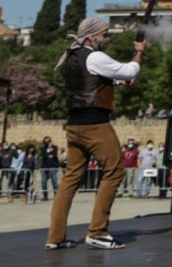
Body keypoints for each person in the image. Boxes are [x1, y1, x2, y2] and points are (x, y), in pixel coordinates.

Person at [45, 18, 144, 251]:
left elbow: (89, 85)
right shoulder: (95, 57)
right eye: (104, 34)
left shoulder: (71, 56)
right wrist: (138, 53)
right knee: (115, 171)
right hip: (95, 125)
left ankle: (55, 237)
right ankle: (98, 231)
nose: (107, 37)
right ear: (91, 37)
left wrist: (117, 83)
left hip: (74, 125)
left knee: (71, 179)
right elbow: (129, 69)